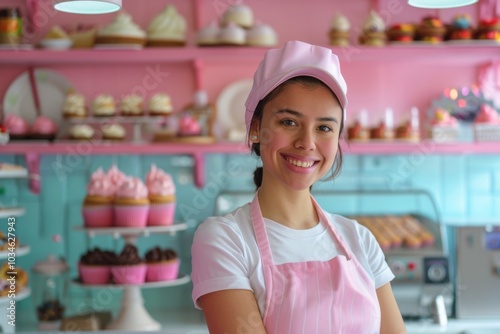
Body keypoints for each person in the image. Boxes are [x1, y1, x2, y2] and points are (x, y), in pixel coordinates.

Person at [191, 40, 407, 334]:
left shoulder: (360, 241)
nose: (307, 142)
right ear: (256, 128)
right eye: (289, 122)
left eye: (324, 128)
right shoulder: (226, 240)